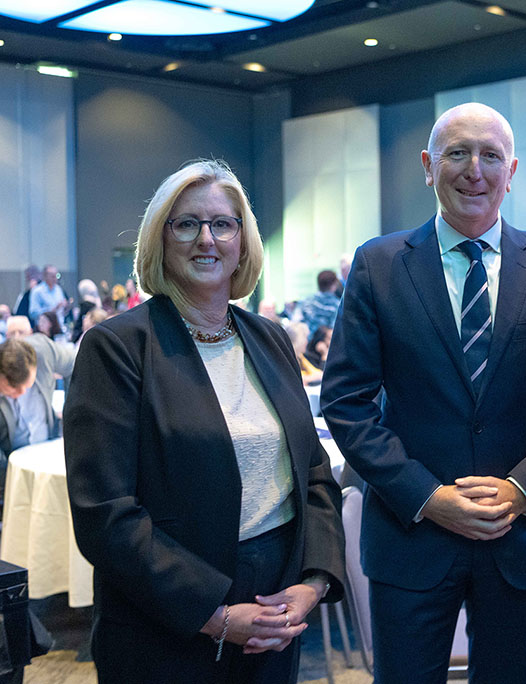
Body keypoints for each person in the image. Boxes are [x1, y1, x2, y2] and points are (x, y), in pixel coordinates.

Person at [321, 102, 526, 684]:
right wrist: (427, 496)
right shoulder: (379, 265)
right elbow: (346, 400)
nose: (474, 170)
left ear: (512, 171)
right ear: (427, 165)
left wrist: (523, 490)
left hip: (523, 535)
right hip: (411, 535)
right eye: (457, 153)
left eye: (491, 156)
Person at [63, 159, 345, 684]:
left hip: (274, 604)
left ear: (243, 241)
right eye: (186, 223)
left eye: (223, 224)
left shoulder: (271, 338)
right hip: (166, 615)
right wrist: (212, 615)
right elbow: (105, 514)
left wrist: (313, 583)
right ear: (161, 240)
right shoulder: (118, 348)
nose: (206, 239)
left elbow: (313, 472)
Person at [0, 328, 75, 457]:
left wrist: (71, 410)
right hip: (10, 458)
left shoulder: (44, 350)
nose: (22, 392)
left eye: (27, 385)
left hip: (48, 446)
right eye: (13, 388)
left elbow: (76, 365)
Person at [299, 270, 341, 334]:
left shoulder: (306, 301)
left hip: (307, 341)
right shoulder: (337, 305)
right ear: (333, 285)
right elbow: (334, 329)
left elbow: (298, 322)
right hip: (326, 342)